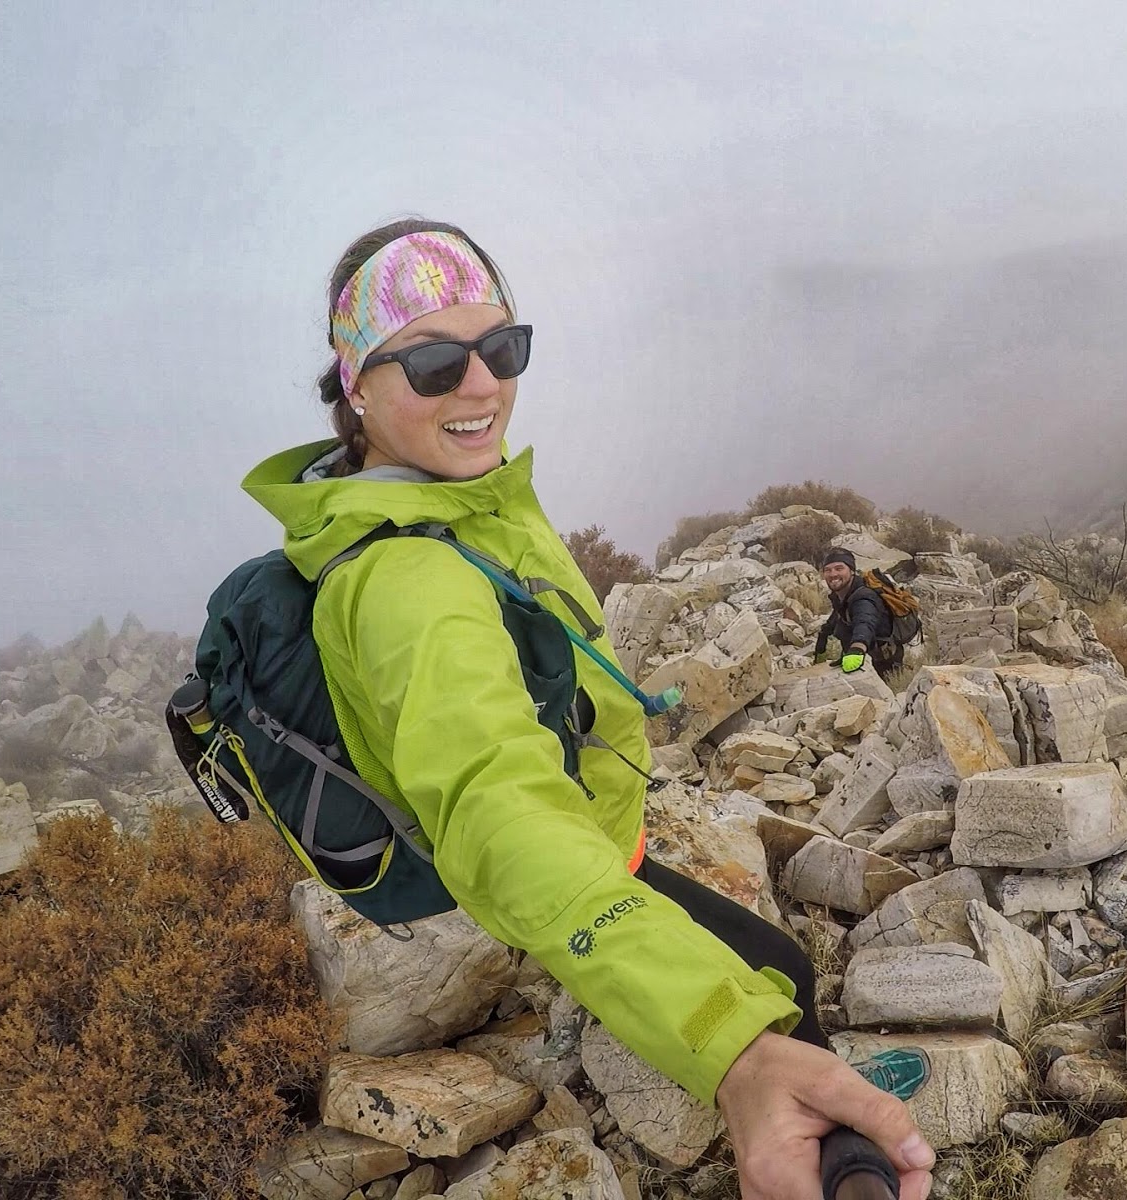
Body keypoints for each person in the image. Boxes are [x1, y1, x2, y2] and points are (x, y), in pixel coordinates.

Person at [240, 220, 933, 1200]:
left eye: (502, 348)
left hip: (601, 835)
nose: (481, 385)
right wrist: (732, 1050)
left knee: (772, 958)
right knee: (772, 985)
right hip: (546, 869)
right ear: (357, 382)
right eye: (435, 362)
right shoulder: (412, 581)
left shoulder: (445, 495)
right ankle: (812, 1130)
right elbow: (498, 808)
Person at [811, 548, 903, 678]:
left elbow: (865, 622)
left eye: (839, 568)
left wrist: (857, 649)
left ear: (852, 570)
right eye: (828, 570)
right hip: (866, 656)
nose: (833, 574)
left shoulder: (864, 596)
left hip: (883, 665)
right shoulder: (842, 594)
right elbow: (836, 617)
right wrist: (822, 642)